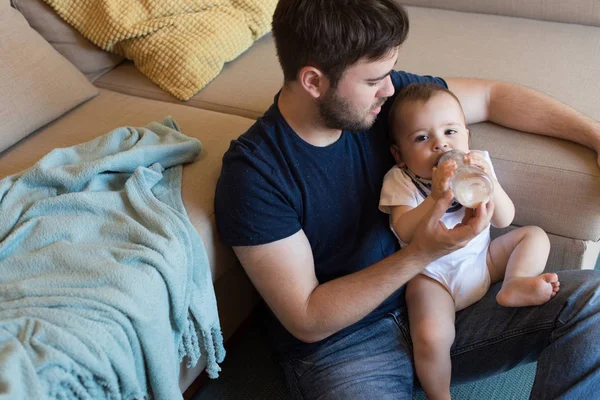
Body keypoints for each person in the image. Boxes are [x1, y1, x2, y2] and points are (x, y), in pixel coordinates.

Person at [215, 0, 600, 398]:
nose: (390, 89)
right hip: (346, 347)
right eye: (373, 81)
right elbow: (307, 317)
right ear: (313, 81)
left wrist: (594, 136)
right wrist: (421, 252)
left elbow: (492, 96)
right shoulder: (255, 175)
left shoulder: (388, 102)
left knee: (595, 304)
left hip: (452, 301)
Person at [380, 82, 560, 400]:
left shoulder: (477, 165)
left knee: (535, 236)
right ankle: (440, 395)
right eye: (422, 138)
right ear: (400, 155)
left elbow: (504, 218)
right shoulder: (400, 180)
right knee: (431, 336)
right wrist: (435, 197)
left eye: (450, 132)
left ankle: (515, 284)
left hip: (482, 261)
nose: (440, 145)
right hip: (432, 275)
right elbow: (405, 230)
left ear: (467, 136)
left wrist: (488, 181)